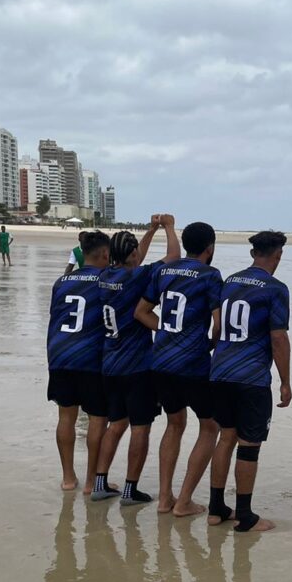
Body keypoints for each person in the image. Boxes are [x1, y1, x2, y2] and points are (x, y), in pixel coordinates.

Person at [134, 221, 224, 516]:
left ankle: (164, 499)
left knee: (174, 424)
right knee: (210, 426)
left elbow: (141, 312)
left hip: (160, 361)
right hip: (193, 363)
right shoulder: (210, 275)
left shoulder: (164, 271)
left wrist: (166, 332)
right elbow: (218, 324)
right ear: (210, 247)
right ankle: (184, 501)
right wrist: (210, 344)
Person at [93, 216, 181, 506]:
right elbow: (173, 256)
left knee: (115, 424)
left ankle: (100, 483)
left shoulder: (106, 276)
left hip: (110, 364)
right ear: (131, 254)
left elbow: (135, 257)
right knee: (140, 427)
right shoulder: (137, 277)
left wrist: (151, 230)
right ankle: (131, 489)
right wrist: (169, 228)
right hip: (136, 366)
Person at [207, 231, 292, 532]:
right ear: (278, 255)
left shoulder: (230, 281)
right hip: (251, 378)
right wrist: (285, 381)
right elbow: (278, 338)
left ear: (253, 253)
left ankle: (216, 509)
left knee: (225, 437)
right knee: (249, 445)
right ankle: (245, 516)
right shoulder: (276, 289)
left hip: (220, 372)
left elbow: (218, 326)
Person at [46, 230, 112, 493]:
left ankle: (68, 478)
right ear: (105, 254)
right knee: (98, 418)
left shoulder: (61, 281)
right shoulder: (106, 280)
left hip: (60, 355)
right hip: (90, 357)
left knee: (66, 416)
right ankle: (91, 481)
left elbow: (55, 317)